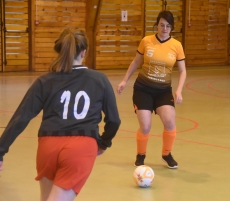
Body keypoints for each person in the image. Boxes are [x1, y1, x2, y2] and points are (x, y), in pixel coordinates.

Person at [0, 28, 121, 201]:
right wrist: (103, 143)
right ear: (84, 52)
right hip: (81, 146)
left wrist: (0, 150)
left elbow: (21, 117)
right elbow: (114, 121)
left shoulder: (45, 81)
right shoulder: (99, 79)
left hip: (48, 145)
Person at [117, 10, 186, 169]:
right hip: (143, 89)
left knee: (169, 122)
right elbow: (135, 62)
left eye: (168, 26)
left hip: (163, 91)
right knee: (146, 126)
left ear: (172, 28)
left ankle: (166, 154)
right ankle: (141, 155)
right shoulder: (146, 41)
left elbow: (183, 71)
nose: (164, 29)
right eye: (161, 25)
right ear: (157, 25)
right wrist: (124, 81)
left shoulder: (176, 46)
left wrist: (179, 90)